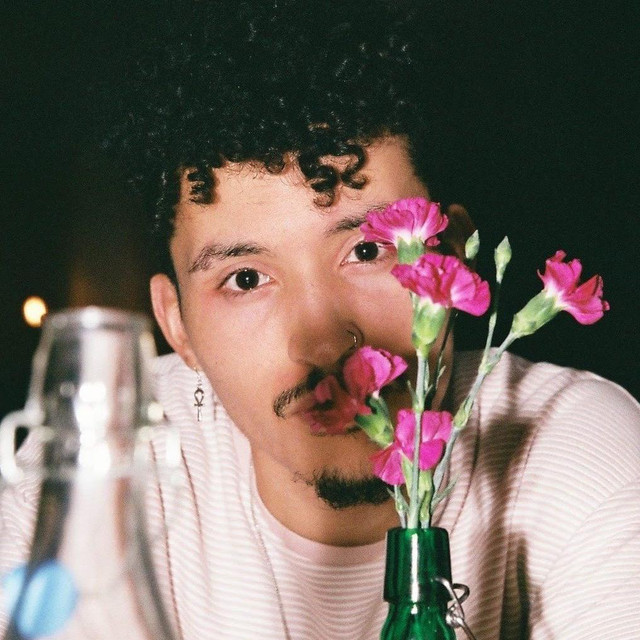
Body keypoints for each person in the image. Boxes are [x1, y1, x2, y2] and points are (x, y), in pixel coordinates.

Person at [2, 1, 639, 638]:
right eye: (245, 279)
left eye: (367, 251)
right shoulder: (94, 469)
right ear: (176, 325)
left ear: (453, 259)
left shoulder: (571, 447)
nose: (323, 339)